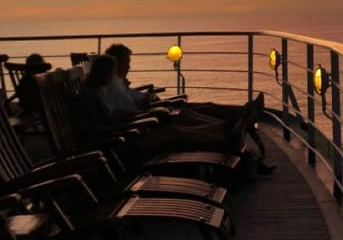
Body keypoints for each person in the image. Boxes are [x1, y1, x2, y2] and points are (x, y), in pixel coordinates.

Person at [101, 45, 275, 173]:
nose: (130, 66)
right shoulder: (111, 90)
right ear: (116, 64)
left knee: (200, 108)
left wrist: (148, 99)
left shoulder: (116, 85)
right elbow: (124, 112)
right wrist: (147, 106)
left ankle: (236, 117)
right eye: (127, 62)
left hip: (148, 119)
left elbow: (130, 100)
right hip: (141, 131)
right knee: (180, 128)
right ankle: (229, 130)